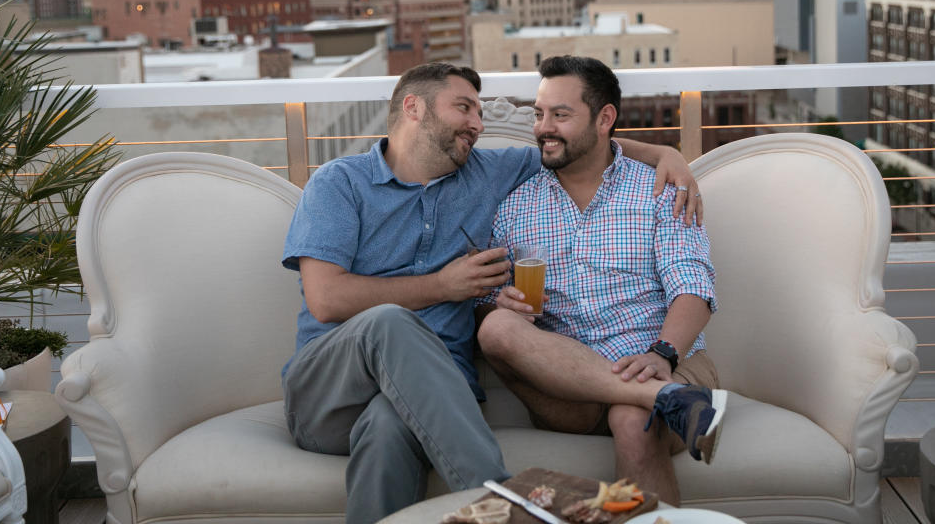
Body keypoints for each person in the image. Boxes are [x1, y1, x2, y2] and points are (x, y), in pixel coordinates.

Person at [280, 61, 704, 524]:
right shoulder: (339, 182)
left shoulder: (487, 174)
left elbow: (579, 147)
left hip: (432, 401)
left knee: (388, 424)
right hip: (330, 394)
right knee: (390, 322)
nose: (478, 125)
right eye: (464, 108)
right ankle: (503, 498)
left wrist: (664, 152)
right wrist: (442, 286)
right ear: (413, 107)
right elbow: (325, 299)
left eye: (480, 113)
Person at [476, 56, 726, 506]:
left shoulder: (659, 189)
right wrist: (502, 302)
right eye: (539, 113)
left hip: (663, 360)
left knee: (632, 418)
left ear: (605, 118)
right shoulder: (516, 204)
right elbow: (489, 301)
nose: (543, 128)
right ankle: (668, 399)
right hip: (567, 389)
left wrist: (663, 353)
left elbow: (693, 286)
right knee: (495, 327)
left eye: (560, 114)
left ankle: (661, 395)